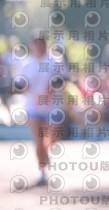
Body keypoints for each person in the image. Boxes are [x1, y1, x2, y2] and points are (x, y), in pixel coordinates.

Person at [20, 35, 68, 186]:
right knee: (39, 139)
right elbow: (20, 84)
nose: (38, 46)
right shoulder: (26, 64)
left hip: (53, 106)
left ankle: (46, 152)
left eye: (41, 42)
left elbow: (64, 79)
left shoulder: (56, 60)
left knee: (53, 138)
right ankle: (42, 171)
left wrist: (50, 89)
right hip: (33, 107)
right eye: (35, 43)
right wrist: (28, 90)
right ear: (31, 45)